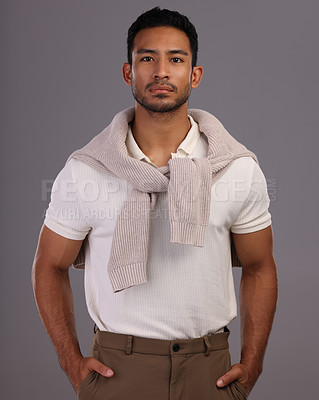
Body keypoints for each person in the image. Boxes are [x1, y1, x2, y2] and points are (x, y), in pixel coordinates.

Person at [32, 7, 278, 400]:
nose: (161, 71)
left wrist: (254, 362)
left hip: (209, 371)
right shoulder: (87, 171)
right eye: (147, 58)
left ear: (194, 75)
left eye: (176, 59)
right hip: (117, 371)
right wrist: (72, 363)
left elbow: (259, 266)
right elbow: (48, 266)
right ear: (128, 72)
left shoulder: (237, 169)